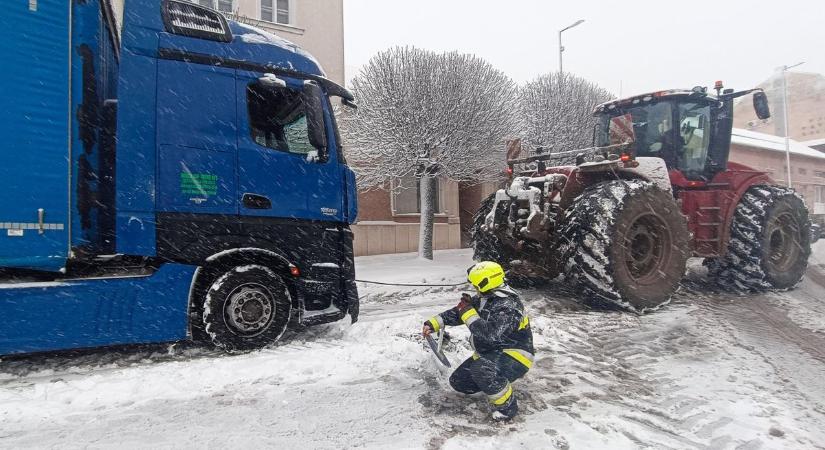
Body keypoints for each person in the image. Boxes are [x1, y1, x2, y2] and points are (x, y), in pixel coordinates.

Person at [422, 261, 535, 420]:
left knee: (481, 370)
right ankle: (495, 383)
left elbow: (490, 335)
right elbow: (459, 312)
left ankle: (507, 408)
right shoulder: (486, 297)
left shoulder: (509, 306)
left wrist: (468, 313)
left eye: (476, 285)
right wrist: (434, 323)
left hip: (515, 355)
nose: (474, 289)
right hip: (490, 352)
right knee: (459, 382)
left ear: (486, 283)